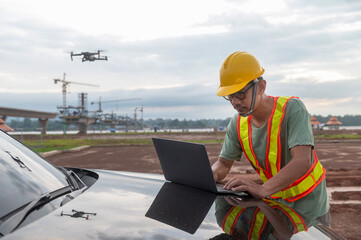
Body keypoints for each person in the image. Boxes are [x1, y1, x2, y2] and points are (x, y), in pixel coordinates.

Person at [211, 51, 330, 224]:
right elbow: (223, 163)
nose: (235, 102)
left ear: (261, 87)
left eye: (240, 94)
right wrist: (211, 175)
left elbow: (303, 160)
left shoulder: (292, 109)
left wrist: (264, 188)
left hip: (310, 210)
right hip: (276, 207)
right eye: (230, 96)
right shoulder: (237, 124)